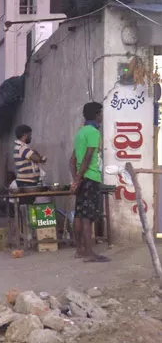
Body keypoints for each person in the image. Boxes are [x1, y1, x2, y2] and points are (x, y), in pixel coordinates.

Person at [69, 102, 109, 263]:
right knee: (88, 217)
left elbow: (71, 161)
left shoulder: (80, 133)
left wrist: (76, 180)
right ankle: (90, 252)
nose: (102, 116)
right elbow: (88, 157)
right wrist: (78, 179)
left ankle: (79, 250)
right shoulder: (93, 132)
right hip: (90, 178)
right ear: (97, 115)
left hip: (82, 179)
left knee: (79, 215)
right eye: (101, 113)